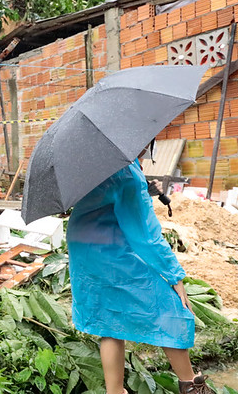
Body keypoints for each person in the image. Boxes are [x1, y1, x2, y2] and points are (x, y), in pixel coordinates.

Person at [66, 157, 216, 394]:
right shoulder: (125, 171)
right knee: (171, 309)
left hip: (84, 246)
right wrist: (175, 276)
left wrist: (142, 188)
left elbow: (109, 198)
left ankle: (115, 391)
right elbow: (146, 235)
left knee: (109, 321)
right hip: (107, 249)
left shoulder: (102, 162)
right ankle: (192, 387)